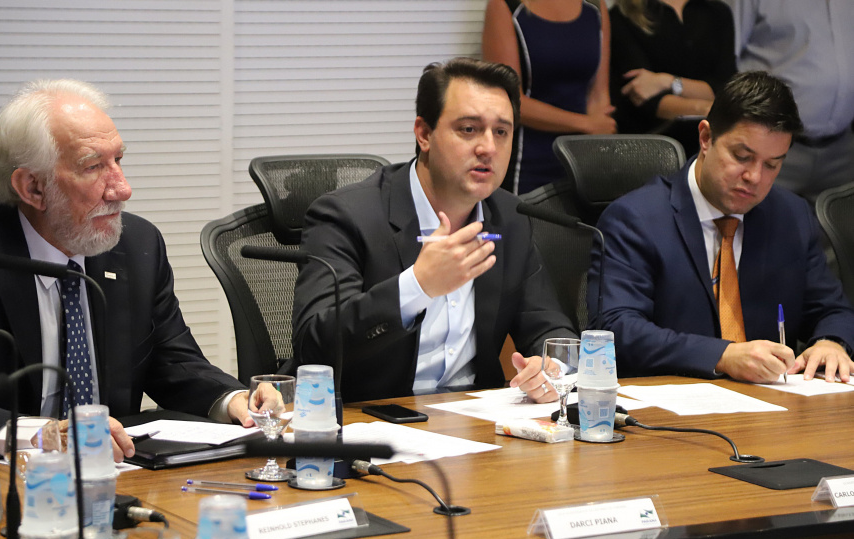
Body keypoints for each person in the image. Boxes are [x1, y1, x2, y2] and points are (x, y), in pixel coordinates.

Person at [0, 79, 255, 462]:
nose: (122, 189)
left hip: (116, 473)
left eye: (118, 160)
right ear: (32, 187)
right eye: (93, 167)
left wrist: (237, 399)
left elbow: (170, 359)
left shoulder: (137, 244)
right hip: (1, 482)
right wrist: (45, 435)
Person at [291, 57, 577, 403]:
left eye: (501, 131)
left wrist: (552, 368)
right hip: (367, 422)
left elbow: (549, 327)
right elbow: (315, 345)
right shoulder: (347, 215)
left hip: (477, 425)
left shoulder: (510, 218)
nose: (488, 147)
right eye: (469, 129)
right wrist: (418, 285)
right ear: (424, 134)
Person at [587, 71, 854, 383]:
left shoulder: (791, 216)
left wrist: (831, 342)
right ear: (705, 138)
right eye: (742, 157)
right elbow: (617, 329)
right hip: (672, 409)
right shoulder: (635, 218)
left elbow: (832, 310)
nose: (754, 177)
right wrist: (722, 356)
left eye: (771, 165)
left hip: (770, 412)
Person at [482, 0, 616, 195]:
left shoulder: (595, 6)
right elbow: (508, 101)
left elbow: (598, 95)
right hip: (526, 164)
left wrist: (598, 152)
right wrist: (585, 124)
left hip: (582, 164)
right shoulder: (506, 5)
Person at [726, 0, 854, 203]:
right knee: (754, 230)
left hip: (843, 150)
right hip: (768, 146)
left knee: (836, 233)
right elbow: (722, 60)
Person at [609, 0, 736, 154]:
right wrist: (706, 109)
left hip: (712, 142)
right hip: (650, 146)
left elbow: (727, 88)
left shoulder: (717, 11)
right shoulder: (621, 16)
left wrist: (667, 82)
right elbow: (642, 96)